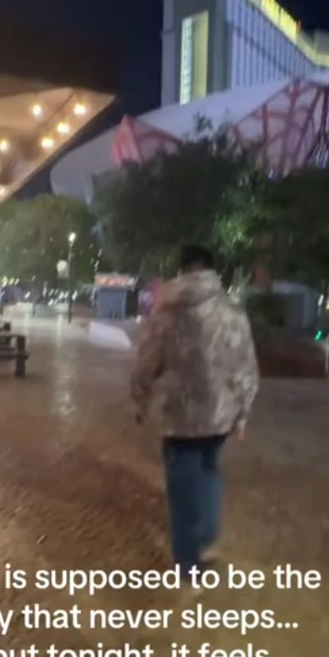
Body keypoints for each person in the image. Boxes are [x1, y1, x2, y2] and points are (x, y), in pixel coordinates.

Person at [130, 245, 259, 579]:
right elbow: (245, 365)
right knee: (209, 473)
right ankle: (205, 533)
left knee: (181, 486)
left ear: (183, 270)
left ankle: (186, 561)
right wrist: (242, 413)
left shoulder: (166, 313)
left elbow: (146, 363)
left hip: (177, 416)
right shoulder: (233, 312)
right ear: (213, 271)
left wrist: (140, 400)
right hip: (219, 415)